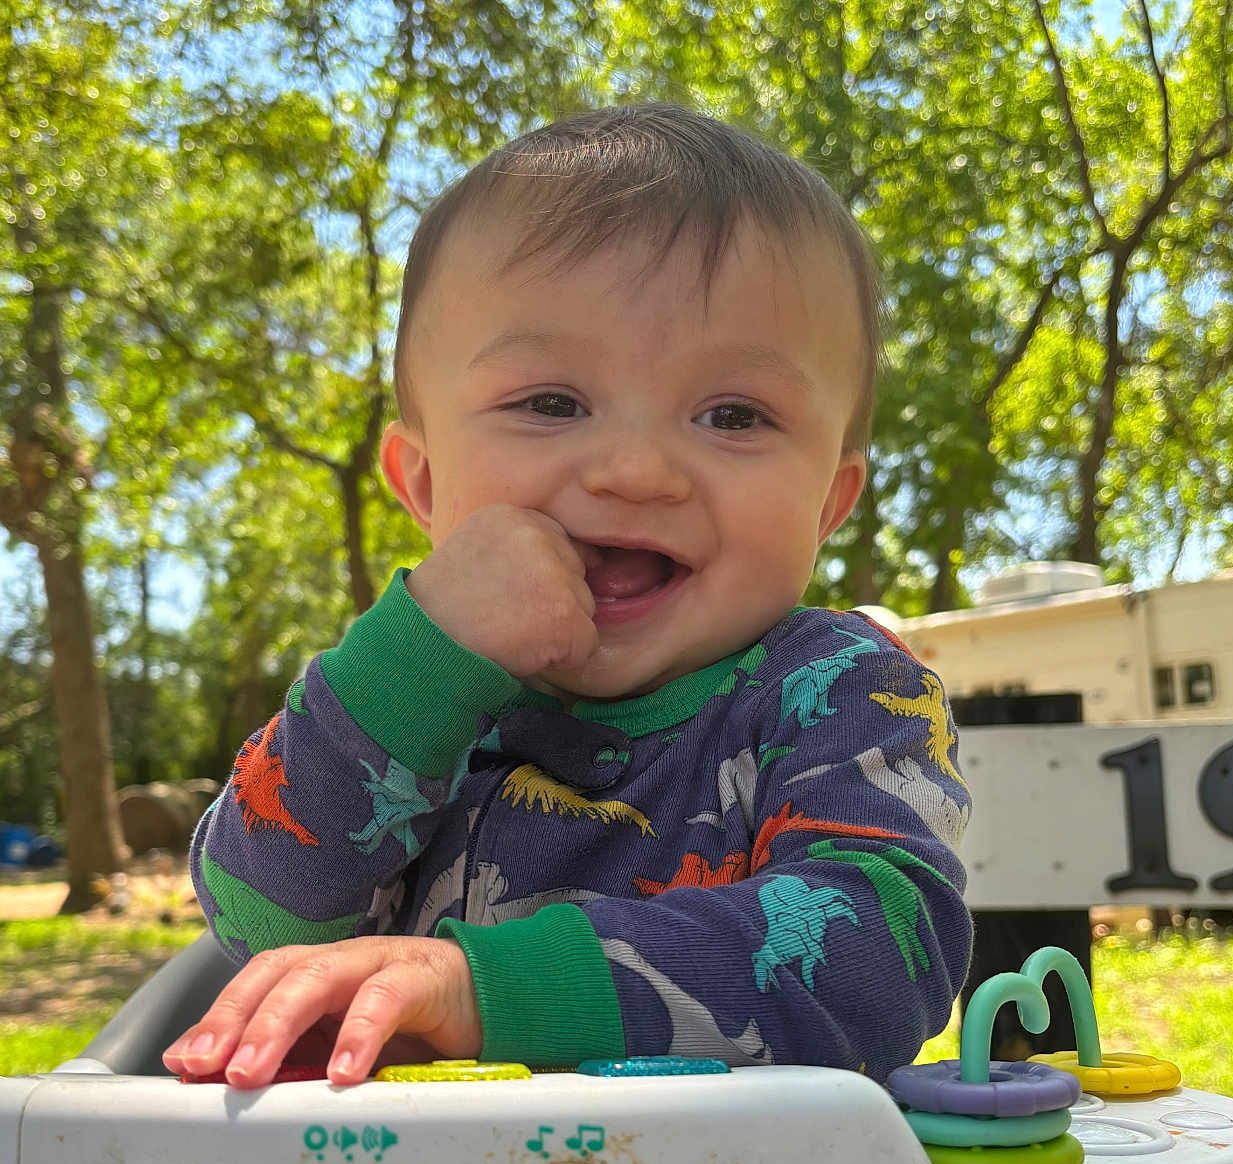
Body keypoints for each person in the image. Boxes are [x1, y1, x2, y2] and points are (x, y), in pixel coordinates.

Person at [163, 103, 973, 1092]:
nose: (636, 470)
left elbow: (879, 961)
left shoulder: (844, 695)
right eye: (551, 404)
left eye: (733, 415)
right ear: (420, 483)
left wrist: (483, 989)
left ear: (830, 503)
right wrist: (419, 658)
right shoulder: (403, 697)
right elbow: (256, 917)